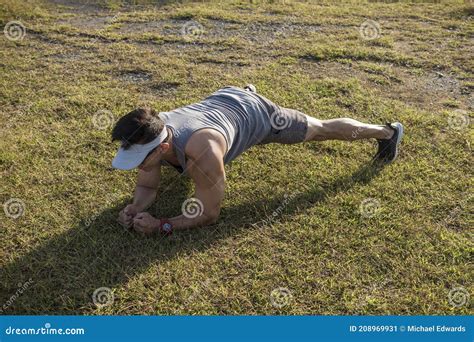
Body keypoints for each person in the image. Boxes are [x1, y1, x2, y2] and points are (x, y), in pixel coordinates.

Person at [111, 85, 403, 235]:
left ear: (162, 149)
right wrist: (135, 207)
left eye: (139, 158)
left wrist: (163, 224)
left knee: (320, 129)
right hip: (222, 100)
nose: (135, 164)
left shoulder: (203, 151)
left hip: (258, 115)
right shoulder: (152, 132)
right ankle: (244, 92)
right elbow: (148, 187)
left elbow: (208, 214)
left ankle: (386, 131)